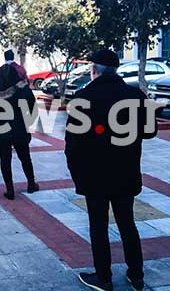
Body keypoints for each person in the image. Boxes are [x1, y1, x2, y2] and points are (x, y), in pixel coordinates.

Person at [65, 49, 157, 291]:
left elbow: (72, 144)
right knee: (127, 223)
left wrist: (77, 173)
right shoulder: (135, 96)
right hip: (125, 171)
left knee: (98, 226)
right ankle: (136, 275)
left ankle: (103, 277)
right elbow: (150, 131)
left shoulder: (83, 97)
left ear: (94, 70)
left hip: (94, 174)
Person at [0, 50, 39, 200]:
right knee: (25, 157)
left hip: (3, 130)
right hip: (19, 129)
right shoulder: (24, 91)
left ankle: (10, 189)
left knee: (5, 160)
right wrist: (27, 120)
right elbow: (33, 108)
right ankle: (31, 183)